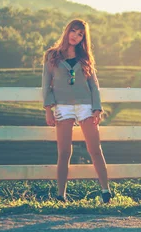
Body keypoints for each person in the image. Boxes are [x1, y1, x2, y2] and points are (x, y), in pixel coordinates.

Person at [41, 19, 112, 203]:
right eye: (73, 31)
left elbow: (94, 85)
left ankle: (106, 192)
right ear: (67, 31)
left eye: (80, 34)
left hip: (86, 107)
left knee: (95, 149)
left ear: (83, 38)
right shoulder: (52, 55)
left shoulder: (85, 58)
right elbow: (46, 85)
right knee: (64, 152)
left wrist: (97, 108)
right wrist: (48, 109)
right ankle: (61, 195)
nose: (76, 36)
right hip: (62, 107)